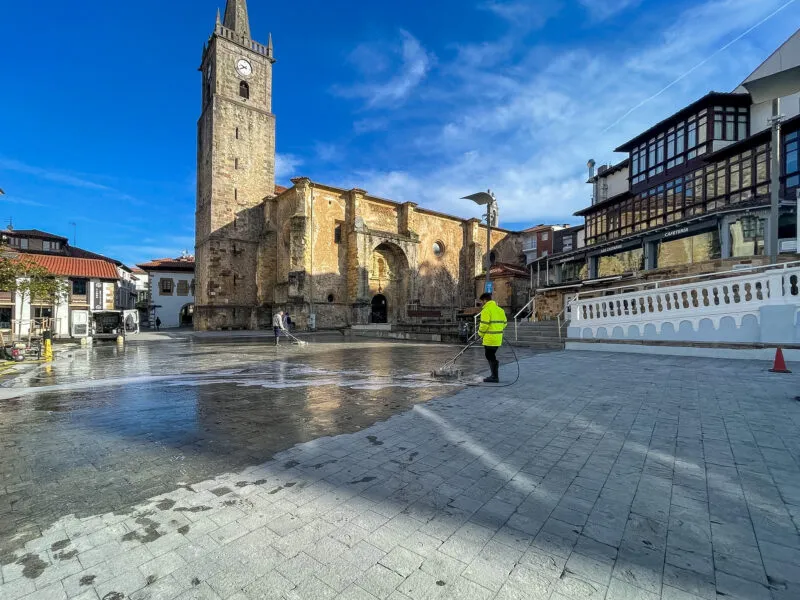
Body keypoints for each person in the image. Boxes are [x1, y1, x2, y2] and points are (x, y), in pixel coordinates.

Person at [477, 292, 507, 383]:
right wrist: (498, 329)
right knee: (491, 355)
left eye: (481, 301)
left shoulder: (486, 310)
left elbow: (484, 325)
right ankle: (494, 376)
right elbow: (505, 323)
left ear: (485, 300)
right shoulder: (500, 310)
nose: (481, 303)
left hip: (490, 338)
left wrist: (480, 334)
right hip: (498, 338)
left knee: (489, 355)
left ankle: (494, 377)